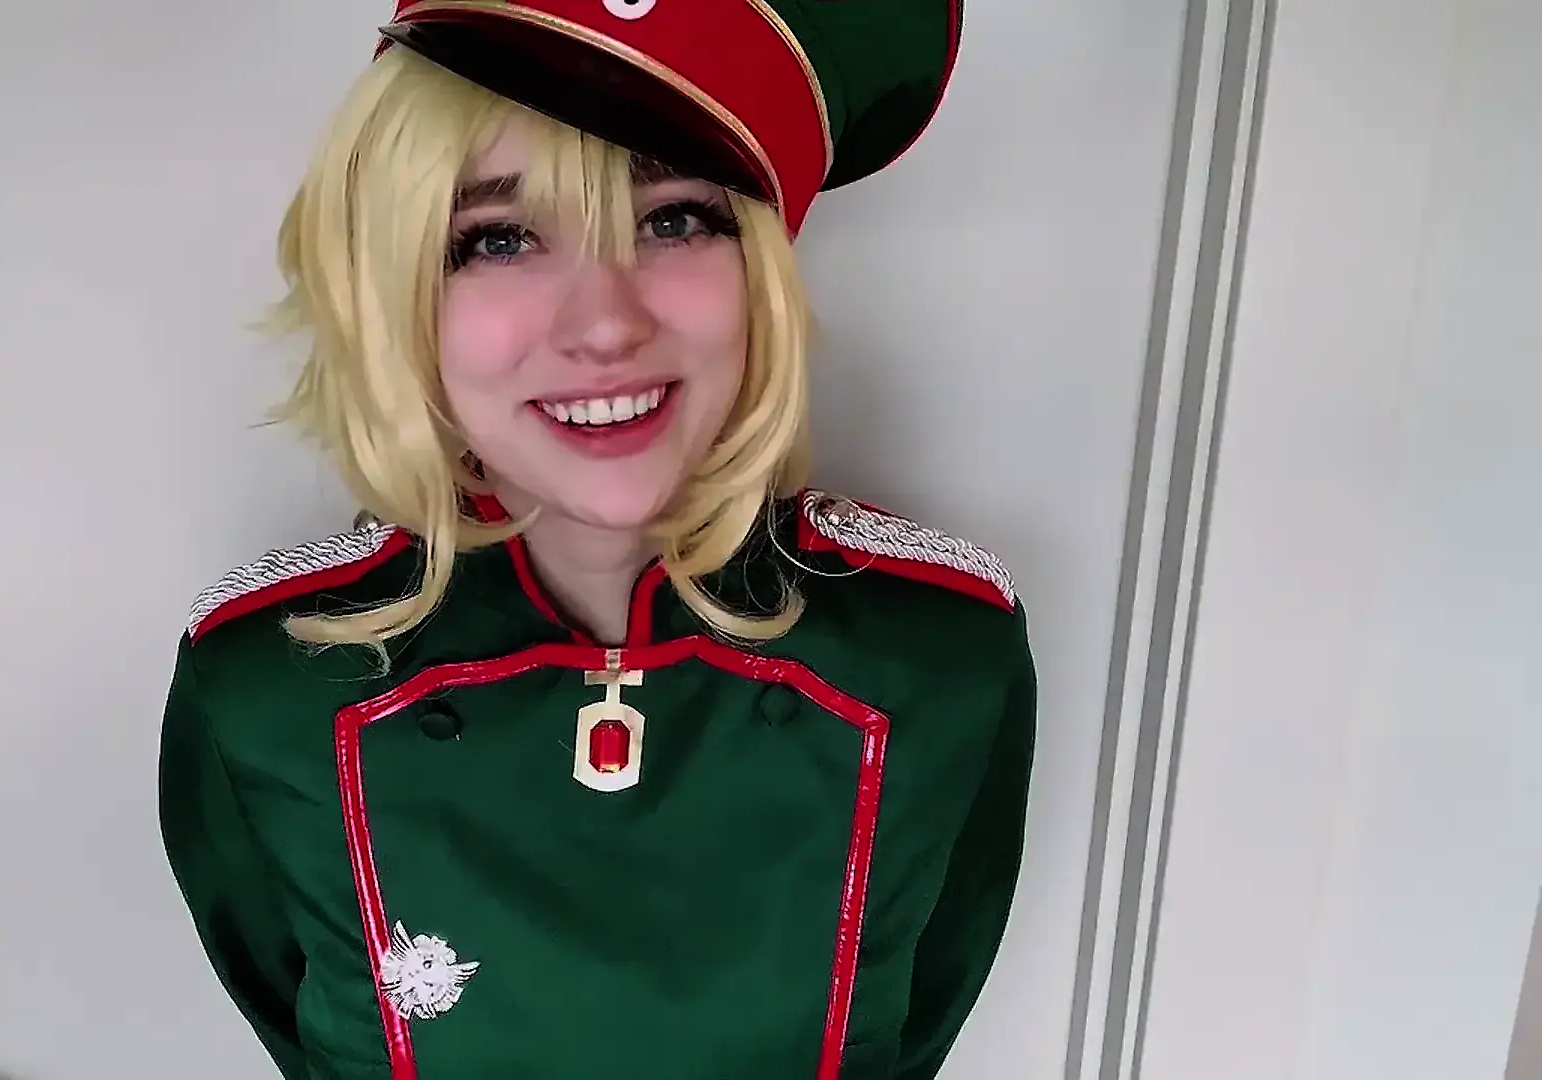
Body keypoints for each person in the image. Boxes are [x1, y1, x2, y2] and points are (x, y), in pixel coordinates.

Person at [158, 3, 1037, 1078]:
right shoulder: (261, 685)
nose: (607, 323)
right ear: (397, 292)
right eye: (498, 238)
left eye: (674, 220)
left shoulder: (939, 657)